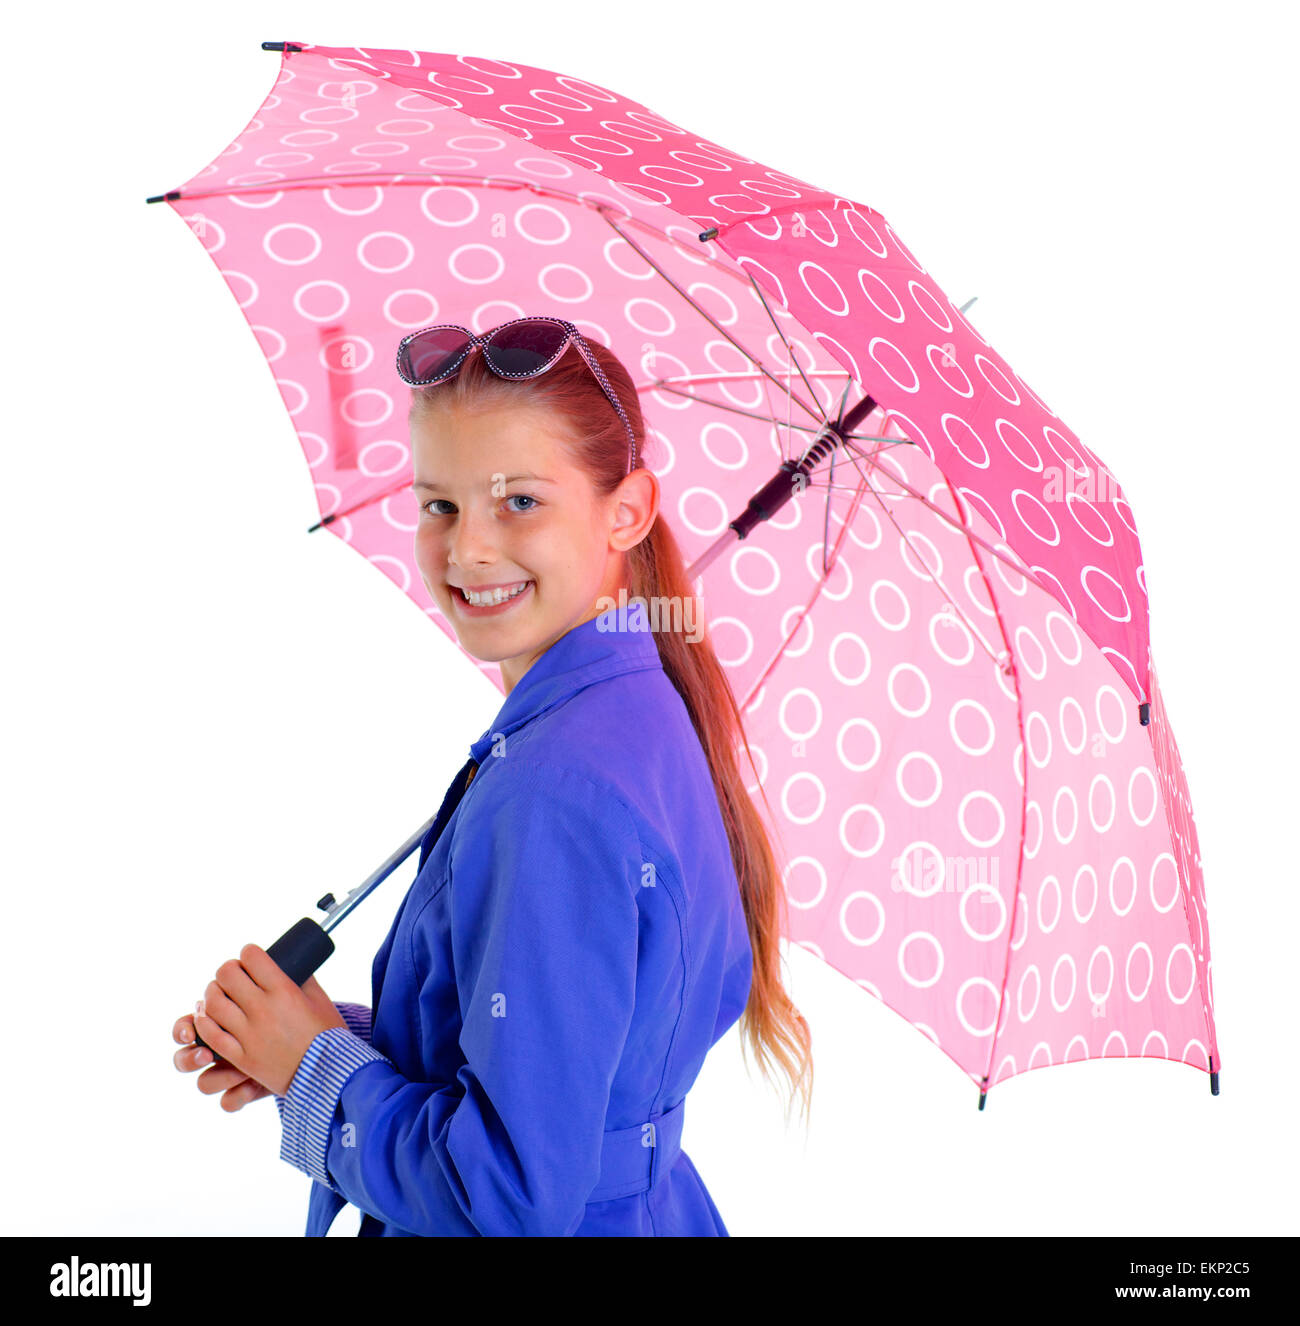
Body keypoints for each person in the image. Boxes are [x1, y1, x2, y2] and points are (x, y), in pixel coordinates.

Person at [171, 316, 813, 1236]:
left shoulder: (556, 790)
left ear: (625, 511)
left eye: (519, 503)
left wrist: (316, 1071)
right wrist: (319, 1041)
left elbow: (505, 1194)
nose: (467, 549)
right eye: (440, 504)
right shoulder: (639, 713)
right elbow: (562, 1062)